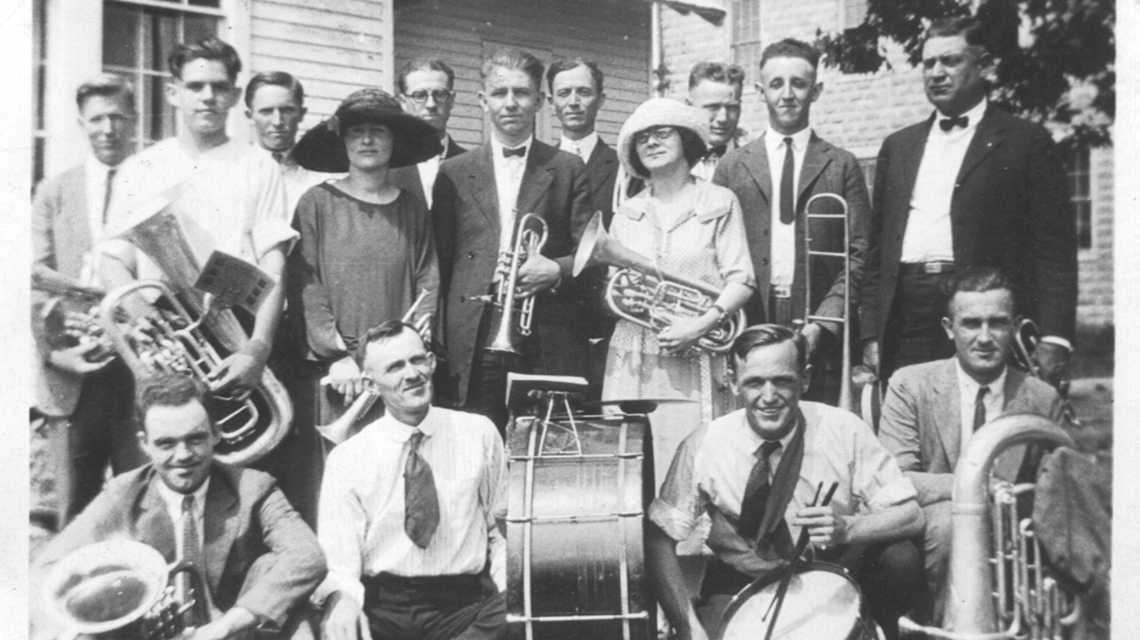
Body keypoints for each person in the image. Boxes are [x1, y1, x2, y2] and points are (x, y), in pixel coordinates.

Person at [648, 324, 924, 640]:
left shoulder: (843, 429)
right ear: (733, 382)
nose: (769, 397)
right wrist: (688, 628)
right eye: (754, 382)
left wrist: (847, 528)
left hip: (835, 569)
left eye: (782, 381)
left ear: (804, 378)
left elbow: (911, 515)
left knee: (900, 558)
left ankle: (880, 628)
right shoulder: (704, 445)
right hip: (744, 578)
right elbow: (659, 539)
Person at [860, 17, 1076, 387]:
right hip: (907, 312)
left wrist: (1055, 336)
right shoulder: (898, 146)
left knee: (984, 429)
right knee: (911, 425)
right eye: (929, 63)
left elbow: (1054, 250)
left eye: (950, 61)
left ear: (985, 65)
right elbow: (877, 248)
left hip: (983, 313)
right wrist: (871, 330)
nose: (937, 73)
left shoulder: (1026, 142)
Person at [31, 373, 327, 640]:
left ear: (216, 434)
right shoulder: (124, 491)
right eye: (166, 444)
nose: (183, 455)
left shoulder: (254, 487)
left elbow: (307, 555)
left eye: (195, 439)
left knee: (275, 573)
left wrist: (228, 625)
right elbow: (50, 567)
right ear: (144, 444)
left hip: (233, 632)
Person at [604, 97, 755, 599]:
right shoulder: (627, 209)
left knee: (689, 481)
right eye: (642, 135)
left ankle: (688, 610)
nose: (652, 140)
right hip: (636, 356)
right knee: (635, 479)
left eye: (663, 131)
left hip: (696, 356)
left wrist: (702, 322)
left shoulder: (720, 201)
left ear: (688, 142)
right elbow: (621, 285)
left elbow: (742, 279)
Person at [102, 36, 297, 399]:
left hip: (239, 319)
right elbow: (113, 260)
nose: (208, 96)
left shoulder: (258, 165)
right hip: (166, 325)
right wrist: (138, 308)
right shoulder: (139, 168)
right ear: (173, 92)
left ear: (235, 96)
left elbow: (274, 263)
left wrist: (257, 348)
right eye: (195, 86)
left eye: (219, 87)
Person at [282, 88, 442, 525]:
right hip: (343, 377)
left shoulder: (411, 208)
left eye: (378, 131)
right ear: (343, 142)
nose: (367, 140)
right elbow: (307, 287)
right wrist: (341, 356)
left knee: (395, 483)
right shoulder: (317, 203)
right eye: (357, 132)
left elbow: (428, 283)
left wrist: (403, 354)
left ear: (393, 142)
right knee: (340, 487)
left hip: (398, 372)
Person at [877, 267, 1069, 624]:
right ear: (949, 328)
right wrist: (976, 487)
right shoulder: (911, 384)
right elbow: (895, 478)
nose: (984, 337)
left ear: (1015, 326)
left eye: (997, 323)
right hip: (935, 525)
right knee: (954, 524)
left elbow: (1055, 491)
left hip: (1010, 528)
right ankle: (943, 627)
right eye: (971, 324)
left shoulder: (1042, 398)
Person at [431, 47, 592, 429]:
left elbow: (590, 252)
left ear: (539, 100)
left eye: (521, 93)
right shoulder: (453, 172)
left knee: (542, 443)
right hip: (475, 331)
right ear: (483, 100)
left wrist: (555, 268)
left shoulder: (567, 168)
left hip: (543, 330)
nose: (511, 103)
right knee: (476, 440)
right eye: (500, 93)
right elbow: (439, 261)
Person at [315, 321, 507, 640]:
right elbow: (339, 562)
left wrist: (508, 595)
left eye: (418, 360)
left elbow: (501, 533)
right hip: (382, 610)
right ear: (370, 384)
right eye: (395, 367)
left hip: (463, 609)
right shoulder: (348, 458)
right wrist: (344, 600)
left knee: (515, 615)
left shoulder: (479, 433)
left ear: (431, 362)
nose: (412, 374)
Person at [713, 38, 871, 406]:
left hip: (815, 316)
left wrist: (826, 322)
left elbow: (860, 253)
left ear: (815, 90)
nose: (787, 94)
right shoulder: (732, 166)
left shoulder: (842, 164)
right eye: (776, 84)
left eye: (798, 84)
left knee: (818, 431)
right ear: (759, 91)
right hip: (751, 315)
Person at [31, 74, 143, 526]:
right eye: (97, 118)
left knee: (144, 503)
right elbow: (29, 280)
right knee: (74, 511)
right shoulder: (54, 192)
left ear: (134, 119)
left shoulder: (150, 182)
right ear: (82, 123)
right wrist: (58, 353)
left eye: (118, 116)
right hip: (76, 372)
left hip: (137, 368)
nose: (108, 128)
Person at [546, 57, 621, 400]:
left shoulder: (624, 166)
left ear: (601, 99)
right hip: (554, 319)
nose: (573, 101)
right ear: (550, 103)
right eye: (564, 93)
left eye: (584, 92)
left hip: (609, 315)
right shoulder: (538, 166)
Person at [245, 71, 339, 217]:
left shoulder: (322, 177)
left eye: (287, 111)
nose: (277, 122)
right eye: (266, 111)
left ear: (301, 114)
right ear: (250, 116)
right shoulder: (232, 174)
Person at [389, 58, 468, 209]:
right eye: (419, 95)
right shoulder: (387, 164)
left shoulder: (471, 165)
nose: (431, 104)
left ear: (452, 100)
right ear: (403, 102)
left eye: (439, 94)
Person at [686, 62, 746, 181]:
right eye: (712, 107)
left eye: (732, 107)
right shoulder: (670, 164)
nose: (723, 118)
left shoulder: (754, 165)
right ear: (689, 107)